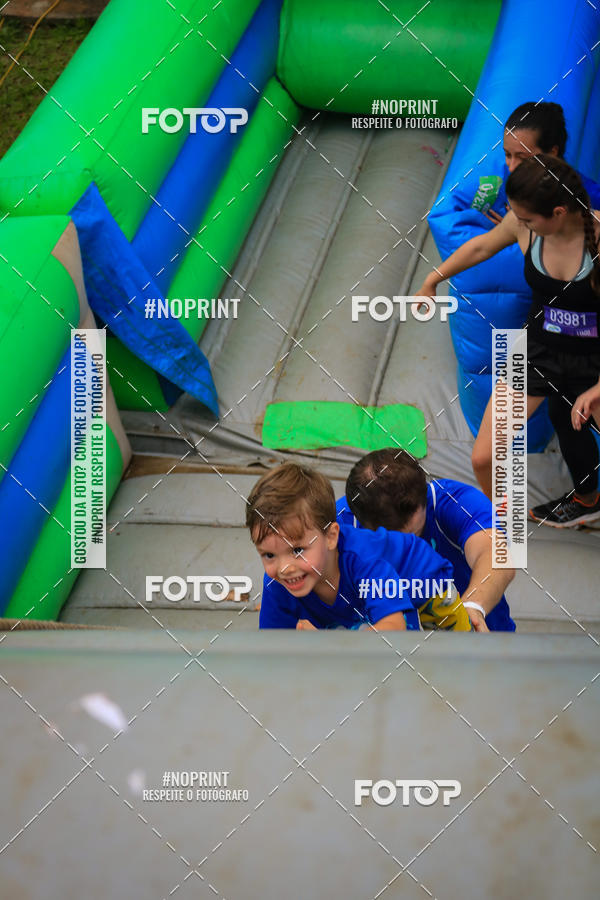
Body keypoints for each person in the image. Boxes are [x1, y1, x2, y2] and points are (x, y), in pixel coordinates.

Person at [418, 154, 600, 527]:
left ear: (560, 212)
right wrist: (432, 280)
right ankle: (501, 521)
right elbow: (481, 247)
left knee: (575, 424)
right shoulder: (525, 223)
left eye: (528, 219)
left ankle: (588, 497)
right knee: (484, 457)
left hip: (594, 360)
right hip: (539, 351)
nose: (518, 223)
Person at [246, 462, 473, 631]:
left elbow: (394, 631)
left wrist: (329, 649)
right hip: (364, 599)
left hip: (423, 581)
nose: (285, 567)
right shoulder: (278, 583)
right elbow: (272, 649)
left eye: (297, 551)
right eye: (268, 555)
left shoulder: (364, 562)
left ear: (331, 537)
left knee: (451, 655)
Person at [338, 449, 515, 633]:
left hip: (483, 641)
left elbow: (496, 557)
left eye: (414, 537)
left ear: (424, 498)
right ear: (362, 522)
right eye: (392, 544)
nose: (410, 552)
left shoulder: (454, 502)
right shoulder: (341, 525)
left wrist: (474, 606)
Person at [482, 102, 600, 225]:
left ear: (551, 153)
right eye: (507, 155)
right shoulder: (513, 181)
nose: (511, 168)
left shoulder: (585, 195)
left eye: (522, 158)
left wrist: (520, 233)